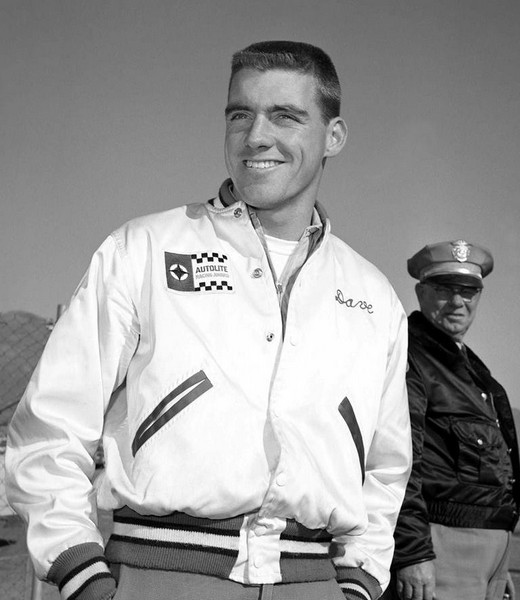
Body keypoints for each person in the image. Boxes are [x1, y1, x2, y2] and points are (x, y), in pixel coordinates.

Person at [6, 41, 411, 600]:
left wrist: (359, 582)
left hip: (312, 582)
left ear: (334, 136)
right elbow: (49, 430)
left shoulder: (373, 297)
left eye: (285, 116)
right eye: (240, 114)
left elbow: (387, 470)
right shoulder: (144, 249)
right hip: (157, 574)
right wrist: (81, 573)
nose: (256, 137)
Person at [388, 239, 520, 600]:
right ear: (420, 291)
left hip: (489, 553)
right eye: (445, 289)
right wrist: (413, 553)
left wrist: (498, 565)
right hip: (442, 544)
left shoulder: (473, 370)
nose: (458, 302)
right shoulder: (411, 356)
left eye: (468, 291)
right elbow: (399, 463)